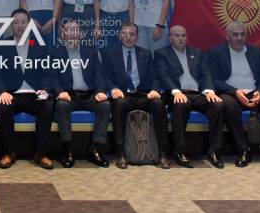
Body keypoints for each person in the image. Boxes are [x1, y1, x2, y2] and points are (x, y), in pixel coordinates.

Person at [207, 21, 260, 169]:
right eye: (235, 35)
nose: (239, 38)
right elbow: (214, 80)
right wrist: (235, 92)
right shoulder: (216, 52)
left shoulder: (256, 52)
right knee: (227, 105)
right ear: (227, 36)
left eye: (242, 34)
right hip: (231, 93)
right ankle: (243, 150)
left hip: (254, 92)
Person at [102, 22, 171, 169]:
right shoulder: (110, 53)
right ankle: (120, 153)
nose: (128, 37)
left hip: (143, 95)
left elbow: (155, 77)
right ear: (119, 36)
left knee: (158, 104)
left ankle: (163, 153)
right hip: (123, 95)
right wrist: (113, 89)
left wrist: (155, 90)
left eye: (132, 34)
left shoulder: (146, 53)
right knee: (118, 104)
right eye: (125, 34)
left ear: (137, 37)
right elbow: (105, 77)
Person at [0, 8, 55, 170]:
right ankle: (9, 153)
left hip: (34, 94)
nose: (20, 25)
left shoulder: (39, 44)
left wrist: (44, 89)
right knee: (3, 107)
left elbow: (47, 73)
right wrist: (2, 91)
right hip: (11, 93)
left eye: (23, 22)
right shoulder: (3, 45)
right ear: (11, 25)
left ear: (29, 24)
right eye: (16, 23)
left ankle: (41, 154)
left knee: (47, 106)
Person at [154, 25, 224, 168]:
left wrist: (209, 91)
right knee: (181, 104)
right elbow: (163, 75)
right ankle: (179, 151)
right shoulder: (161, 53)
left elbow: (206, 73)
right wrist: (176, 91)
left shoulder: (197, 53)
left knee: (218, 105)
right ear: (170, 38)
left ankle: (214, 151)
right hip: (176, 93)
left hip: (197, 94)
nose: (181, 38)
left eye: (183, 35)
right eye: (177, 36)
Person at [53, 20, 111, 168]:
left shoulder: (90, 51)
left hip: (89, 95)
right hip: (69, 95)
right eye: (69, 30)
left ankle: (96, 150)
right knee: (61, 105)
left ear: (81, 35)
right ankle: (67, 150)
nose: (73, 33)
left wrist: (100, 91)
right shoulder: (56, 53)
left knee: (105, 105)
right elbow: (53, 77)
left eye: (76, 30)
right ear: (63, 34)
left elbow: (100, 75)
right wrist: (60, 92)